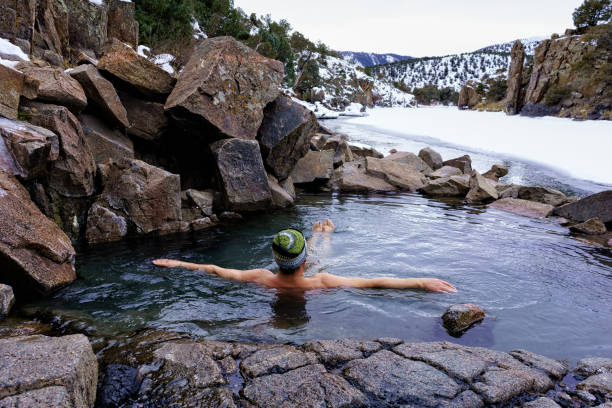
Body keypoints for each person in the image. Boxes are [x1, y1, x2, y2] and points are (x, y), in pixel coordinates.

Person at [153, 219, 457, 293]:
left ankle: (318, 236)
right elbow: (374, 283)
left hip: (289, 271)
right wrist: (418, 281)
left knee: (316, 256)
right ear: (304, 264)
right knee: (323, 257)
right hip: (306, 274)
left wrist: (179, 263)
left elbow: (215, 269)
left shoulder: (261, 277)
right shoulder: (320, 281)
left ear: (274, 260)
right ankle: (322, 235)